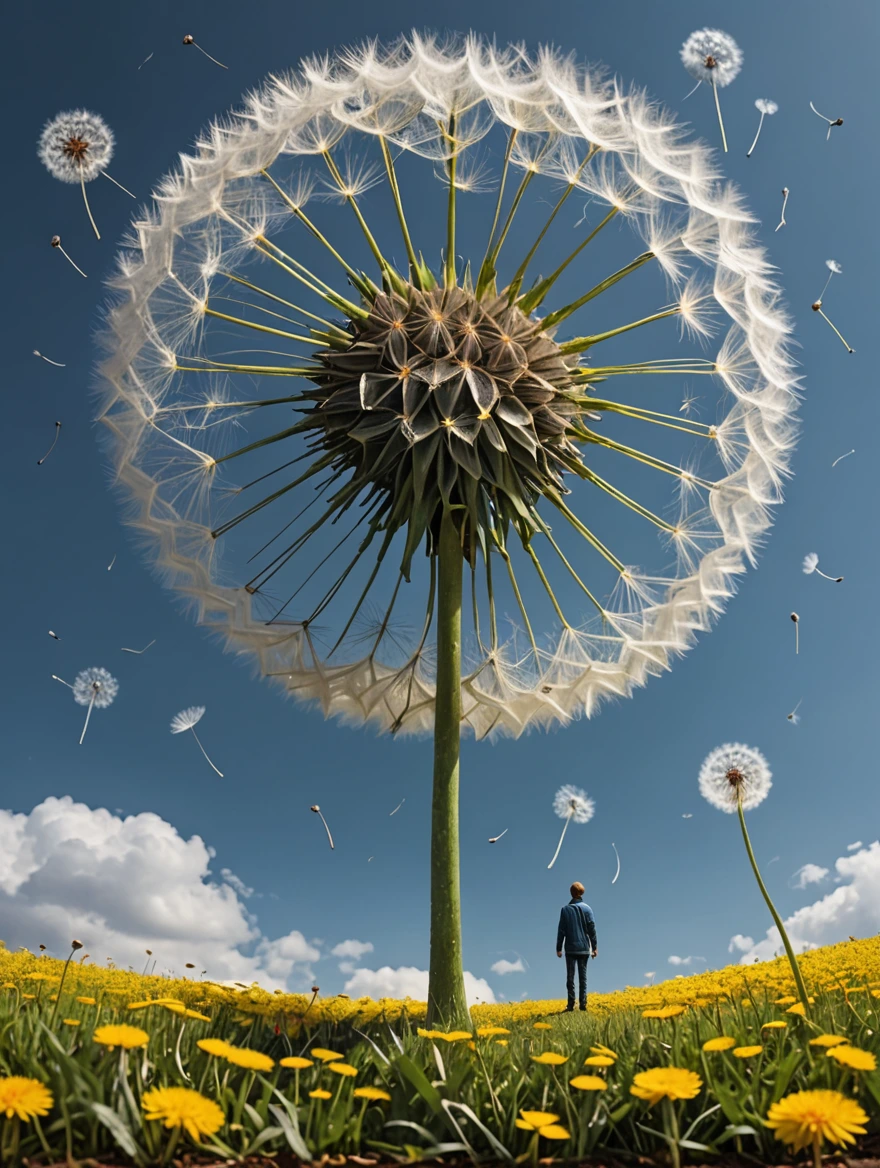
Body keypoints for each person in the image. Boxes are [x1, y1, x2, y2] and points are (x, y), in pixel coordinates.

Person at [556, 881, 598, 1011]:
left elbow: (561, 930)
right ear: (582, 893)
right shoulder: (588, 909)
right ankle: (583, 1004)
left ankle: (570, 1005)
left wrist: (558, 948)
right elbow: (592, 929)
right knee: (583, 978)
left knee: (570, 977)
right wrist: (594, 947)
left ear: (571, 893)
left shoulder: (565, 910)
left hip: (570, 948)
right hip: (584, 948)